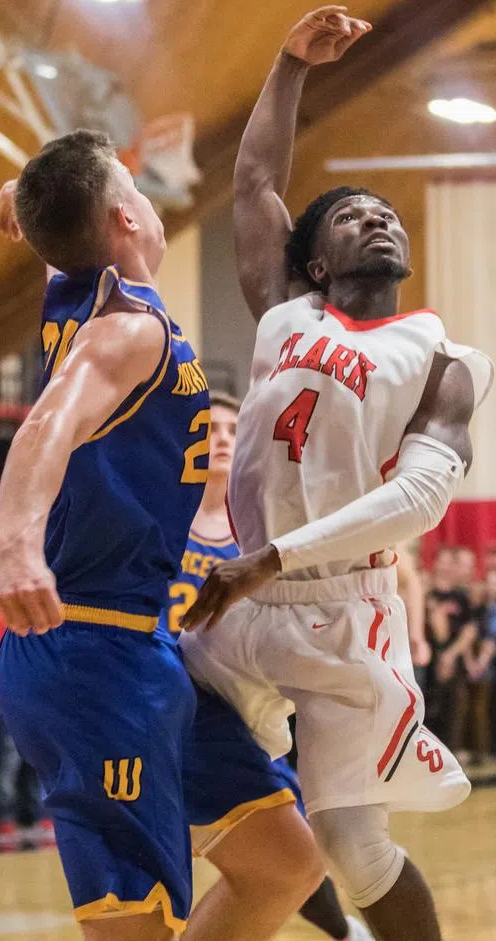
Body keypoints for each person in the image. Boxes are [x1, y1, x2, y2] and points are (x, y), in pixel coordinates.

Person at [180, 5, 495, 941]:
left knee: (357, 851)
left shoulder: (443, 356)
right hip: (240, 601)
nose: (381, 218)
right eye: (357, 213)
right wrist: (288, 60)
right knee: (170, 746)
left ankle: (361, 923)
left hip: (341, 608)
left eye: (390, 213)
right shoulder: (285, 312)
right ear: (316, 260)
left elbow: (422, 498)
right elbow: (253, 179)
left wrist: (269, 558)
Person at [0, 127, 326, 941]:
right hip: (92, 651)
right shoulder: (124, 329)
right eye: (135, 191)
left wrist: (15, 200)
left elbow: (35, 215)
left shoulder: (75, 282)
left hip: (147, 650)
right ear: (126, 220)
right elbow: (44, 426)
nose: (149, 201)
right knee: (136, 929)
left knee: (285, 860)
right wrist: (15, 545)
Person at [160, 394, 373, 941]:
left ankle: (341, 931)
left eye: (235, 429)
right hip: (174, 702)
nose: (224, 438)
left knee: (290, 844)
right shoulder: (163, 522)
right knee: (262, 852)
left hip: (248, 707)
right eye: (213, 428)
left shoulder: (257, 530)